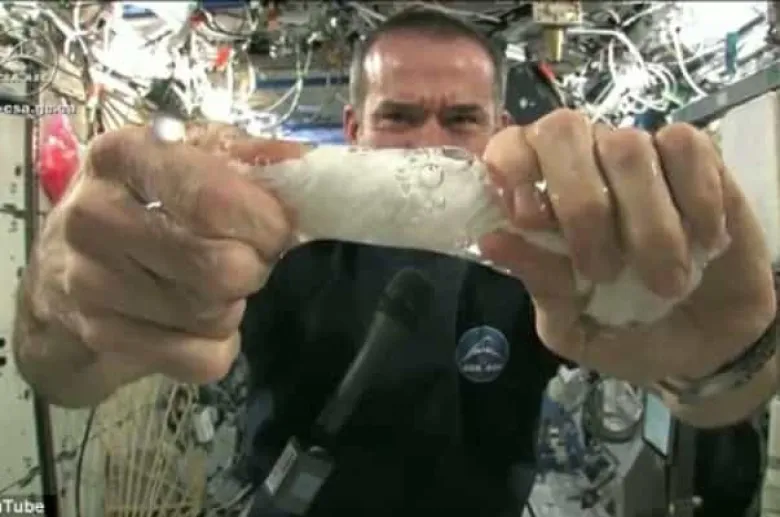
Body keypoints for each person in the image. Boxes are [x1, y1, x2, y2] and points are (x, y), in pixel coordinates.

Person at [11, 7, 778, 516]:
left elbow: (714, 397)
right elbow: (60, 375)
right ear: (354, 128)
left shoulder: (545, 262)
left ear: (499, 126)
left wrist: (732, 354)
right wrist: (61, 300)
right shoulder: (268, 241)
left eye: (462, 119)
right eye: (400, 117)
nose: (429, 146)